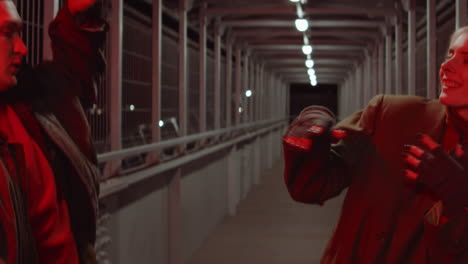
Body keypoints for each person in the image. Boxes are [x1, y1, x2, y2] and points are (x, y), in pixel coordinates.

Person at [283, 26, 468, 263]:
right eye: (449, 55)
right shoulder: (392, 114)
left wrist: (459, 197)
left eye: (466, 61)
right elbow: (313, 186)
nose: (446, 67)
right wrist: (310, 130)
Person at [0, 0, 107, 263]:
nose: (22, 48)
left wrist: (77, 14)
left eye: (20, 33)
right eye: (7, 33)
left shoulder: (27, 108)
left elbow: (73, 77)